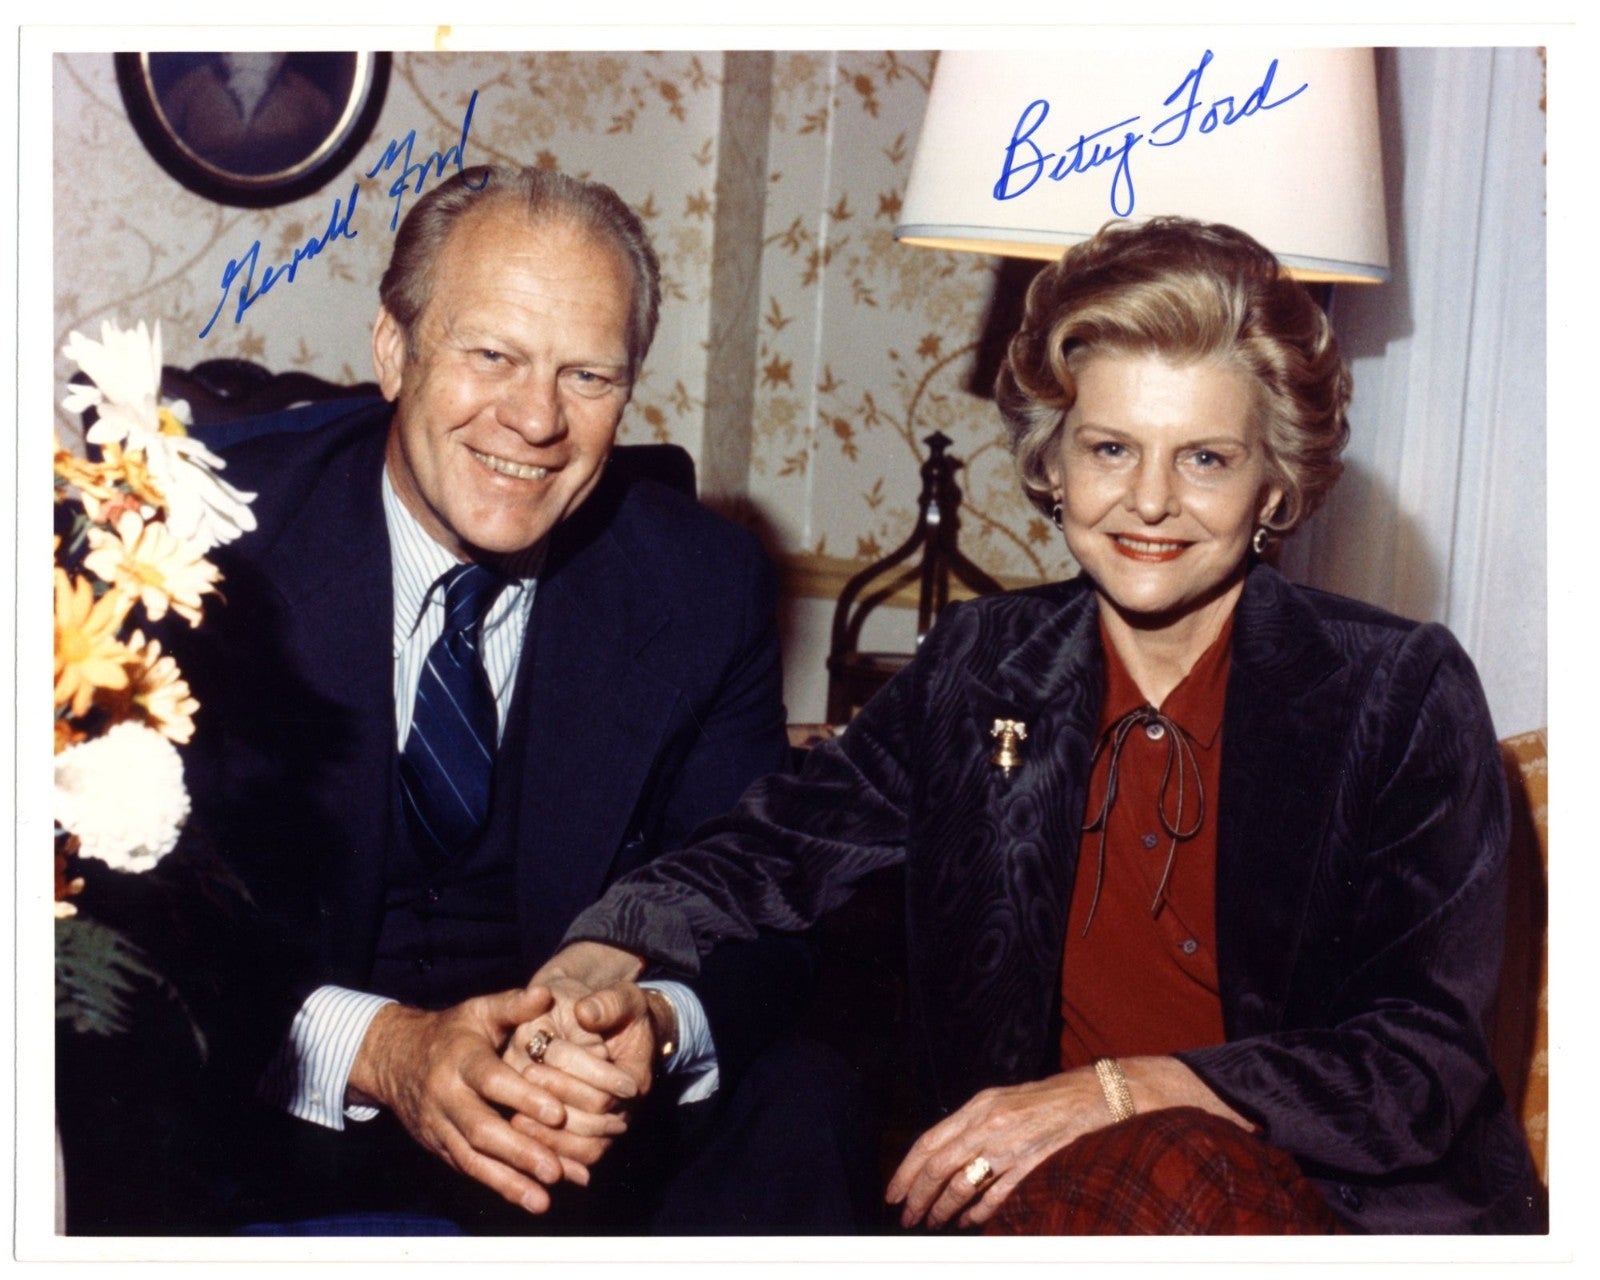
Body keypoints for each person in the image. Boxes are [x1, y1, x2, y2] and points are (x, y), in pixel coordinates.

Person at [537, 217, 1547, 1234]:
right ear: (1053, 464)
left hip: (1327, 1215)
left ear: (1272, 482)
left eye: (1204, 457)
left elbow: (1419, 1062)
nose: (1149, 499)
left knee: (1185, 1162)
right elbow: (770, 847)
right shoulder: (981, 666)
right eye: (1110, 447)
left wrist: (1120, 1091)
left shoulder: (1396, 690)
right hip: (1039, 1211)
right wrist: (602, 956)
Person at [169, 164, 871, 1234]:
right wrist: (386, 1050)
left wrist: (655, 1026)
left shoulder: (699, 580)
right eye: (491, 354)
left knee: (808, 1093)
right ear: (395, 350)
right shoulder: (205, 538)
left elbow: (759, 896)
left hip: (577, 1139)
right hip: (279, 1109)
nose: (536, 418)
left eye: (587, 375)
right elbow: (131, 924)